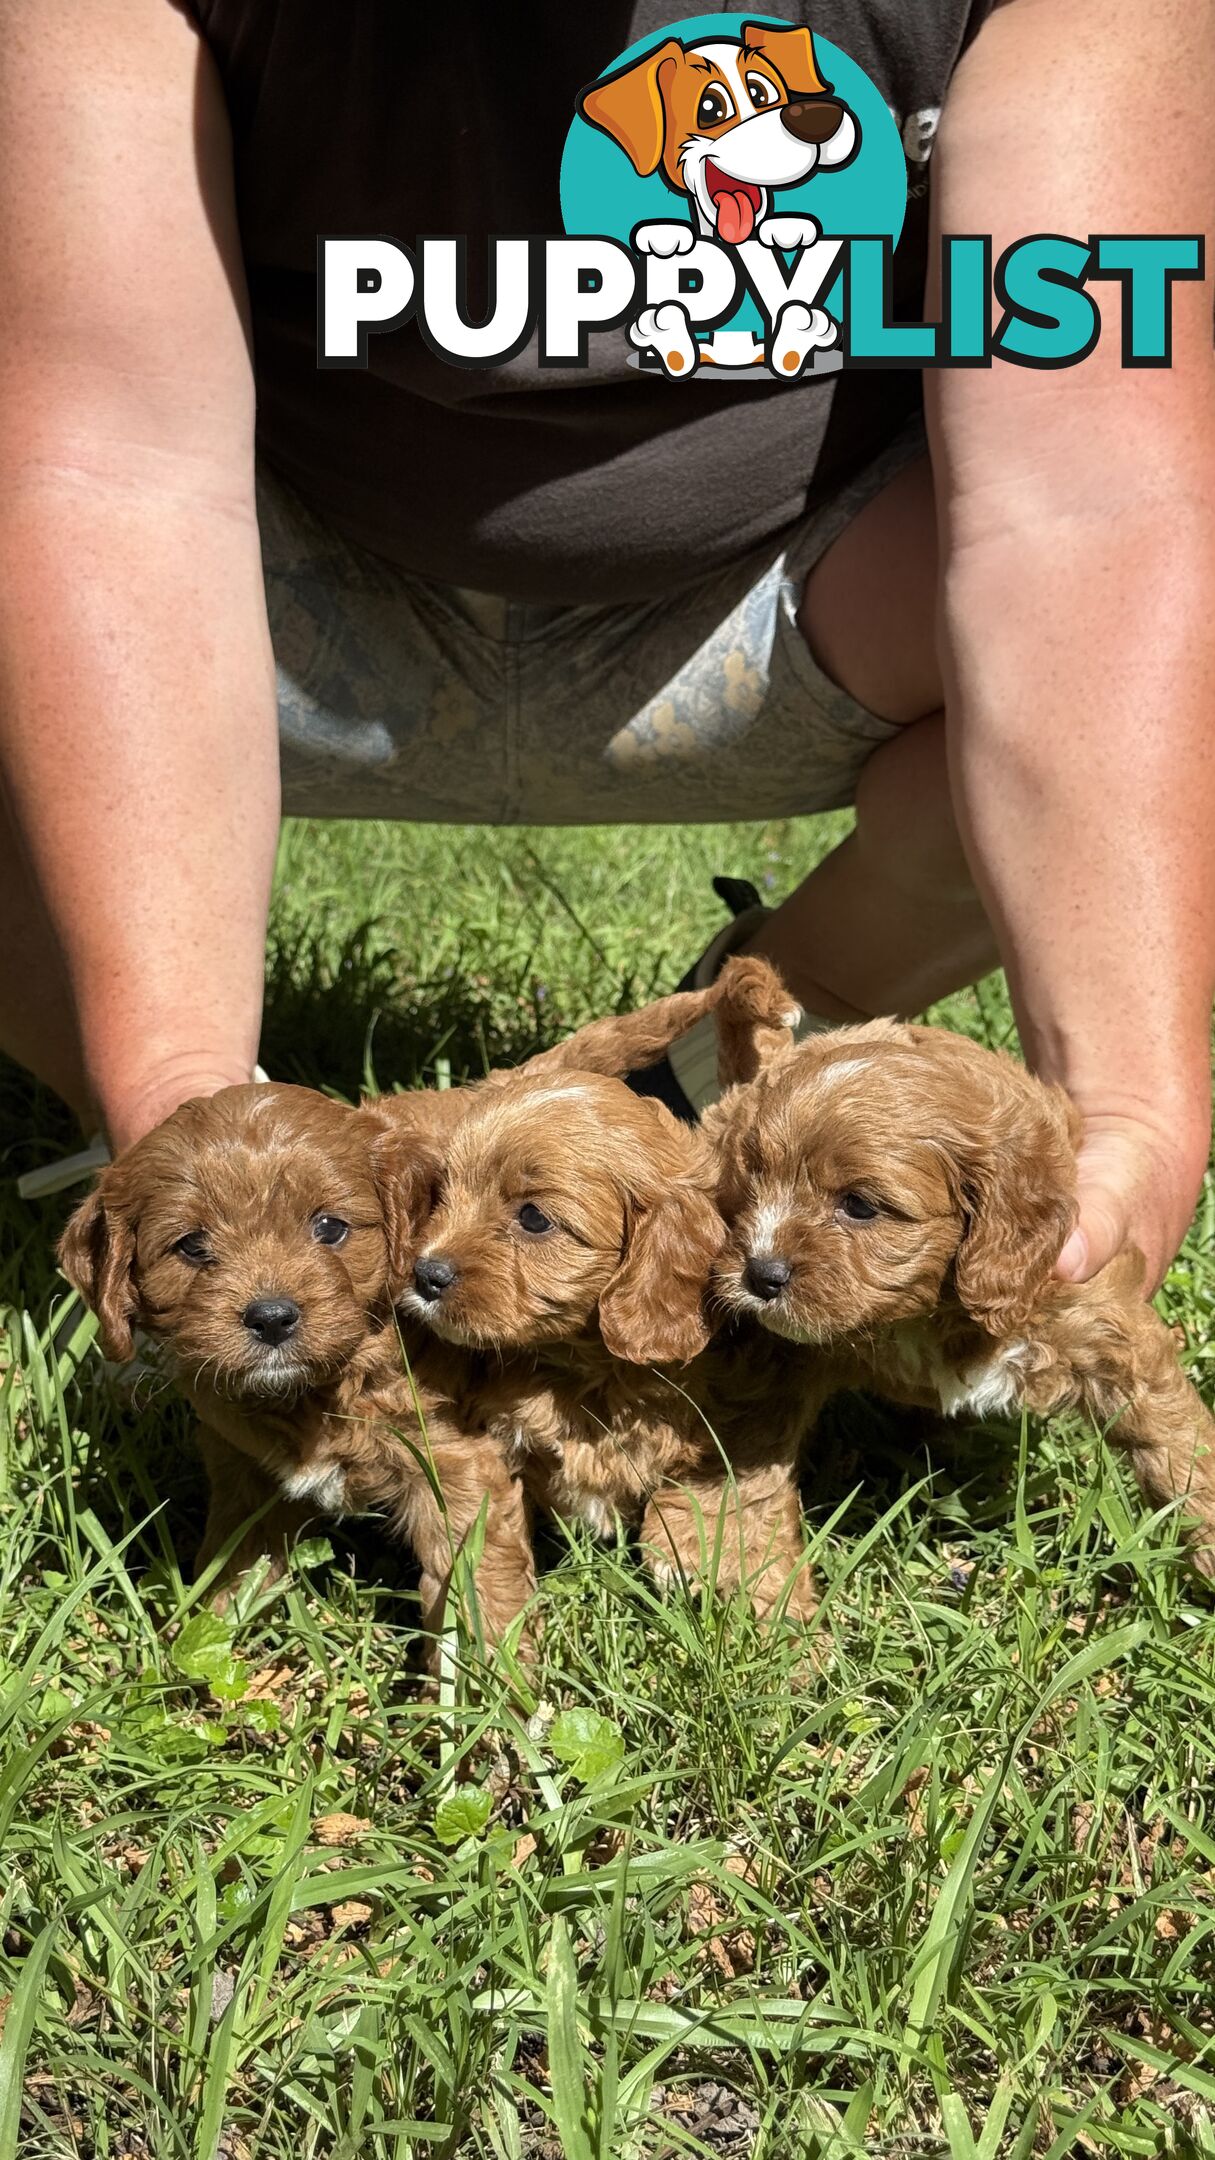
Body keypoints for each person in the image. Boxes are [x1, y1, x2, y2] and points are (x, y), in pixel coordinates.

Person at [0, 0, 1212, 1293]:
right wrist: (175, 1084)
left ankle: (742, 1038)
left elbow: (1088, 505)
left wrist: (1127, 1106)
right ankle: (148, 1138)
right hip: (273, 595)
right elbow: (112, 478)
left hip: (793, 593)